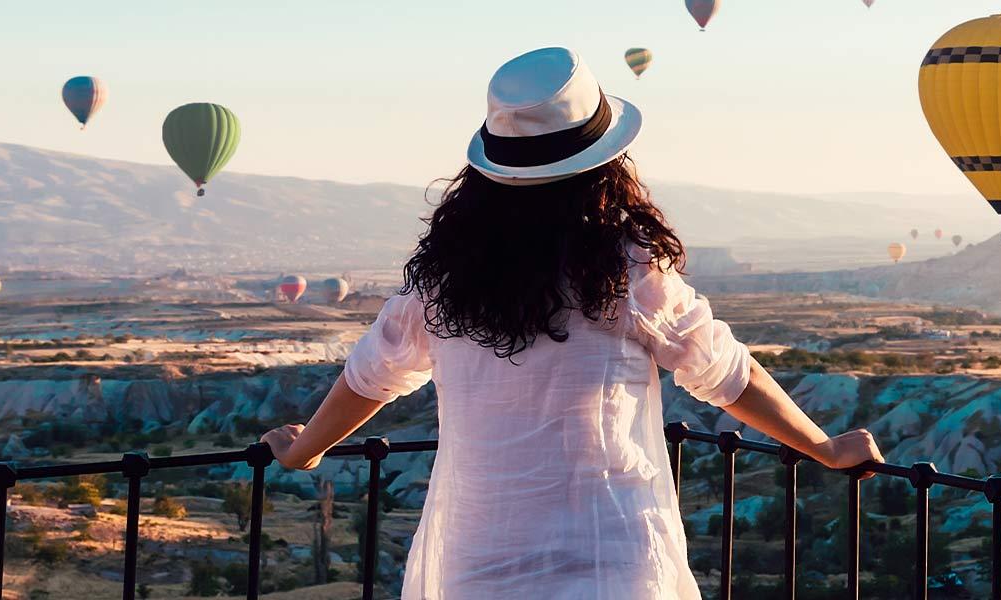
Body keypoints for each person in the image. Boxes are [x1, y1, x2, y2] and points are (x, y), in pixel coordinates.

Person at [261, 47, 884, 598]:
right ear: (604, 162)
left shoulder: (444, 283)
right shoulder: (629, 270)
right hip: (610, 553)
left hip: (480, 559)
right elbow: (726, 374)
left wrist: (304, 450)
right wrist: (823, 448)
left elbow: (371, 377)